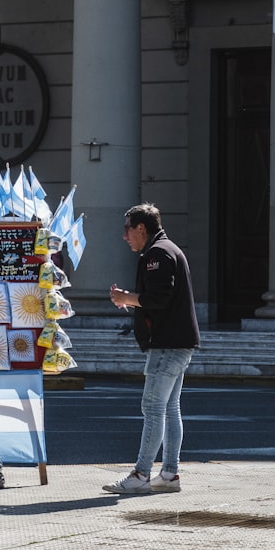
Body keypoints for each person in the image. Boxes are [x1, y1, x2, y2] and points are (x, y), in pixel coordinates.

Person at [104, 203, 200, 494]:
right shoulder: (168, 249)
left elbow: (158, 298)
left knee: (153, 408)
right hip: (177, 342)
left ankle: (141, 474)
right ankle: (169, 474)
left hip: (167, 343)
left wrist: (126, 297)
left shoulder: (157, 254)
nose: (125, 237)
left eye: (127, 230)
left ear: (141, 228)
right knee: (170, 408)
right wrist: (131, 300)